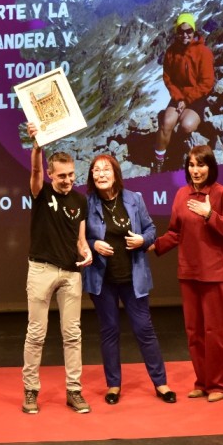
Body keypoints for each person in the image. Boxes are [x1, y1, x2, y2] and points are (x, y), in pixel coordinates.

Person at [83, 154, 176, 405]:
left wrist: (142, 241)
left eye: (106, 170)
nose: (101, 174)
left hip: (133, 277)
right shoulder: (87, 204)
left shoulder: (134, 199)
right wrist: (94, 244)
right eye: (96, 170)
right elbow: (78, 240)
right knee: (109, 331)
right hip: (103, 280)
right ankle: (113, 385)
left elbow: (151, 230)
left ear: (115, 174)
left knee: (144, 330)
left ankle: (161, 383)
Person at [152, 145, 223, 401]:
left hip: (213, 271)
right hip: (188, 271)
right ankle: (201, 381)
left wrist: (209, 214)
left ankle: (219, 385)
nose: (195, 170)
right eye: (191, 165)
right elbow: (175, 232)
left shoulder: (221, 194)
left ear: (210, 167)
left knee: (215, 332)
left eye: (200, 165)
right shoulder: (181, 194)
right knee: (194, 332)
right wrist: (152, 245)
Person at [22, 123, 93, 415]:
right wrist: (38, 145)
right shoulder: (41, 194)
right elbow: (35, 172)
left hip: (71, 274)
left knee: (72, 335)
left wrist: (86, 252)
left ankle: (74, 391)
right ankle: (30, 391)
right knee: (36, 334)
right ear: (51, 175)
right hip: (41, 271)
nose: (67, 180)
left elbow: (80, 240)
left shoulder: (80, 200)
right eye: (61, 175)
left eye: (71, 175)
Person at [152, 12, 215, 174]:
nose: (185, 35)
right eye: (181, 31)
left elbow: (207, 83)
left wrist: (186, 100)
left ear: (194, 31)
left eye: (189, 31)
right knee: (166, 123)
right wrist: (179, 97)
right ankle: (158, 161)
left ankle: (175, 152)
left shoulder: (204, 52)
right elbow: (168, 78)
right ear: (176, 32)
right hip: (178, 96)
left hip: (197, 98)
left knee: (186, 126)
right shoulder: (171, 52)